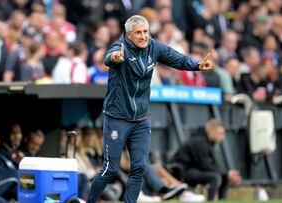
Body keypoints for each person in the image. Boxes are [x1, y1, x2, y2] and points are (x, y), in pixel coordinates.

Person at [87, 15, 213, 203]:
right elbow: (108, 59)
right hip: (117, 118)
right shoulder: (119, 49)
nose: (143, 36)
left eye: (145, 31)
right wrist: (114, 58)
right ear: (128, 35)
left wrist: (196, 65)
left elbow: (175, 58)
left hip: (141, 120)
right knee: (110, 168)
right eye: (138, 32)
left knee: (139, 168)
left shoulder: (153, 47)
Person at [172, 119, 242, 201]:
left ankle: (222, 200)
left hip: (194, 170)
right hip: (184, 172)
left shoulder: (207, 142)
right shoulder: (200, 141)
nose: (222, 137)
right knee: (215, 177)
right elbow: (204, 165)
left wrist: (226, 174)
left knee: (224, 176)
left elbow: (211, 164)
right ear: (211, 131)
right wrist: (226, 173)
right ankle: (210, 200)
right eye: (220, 133)